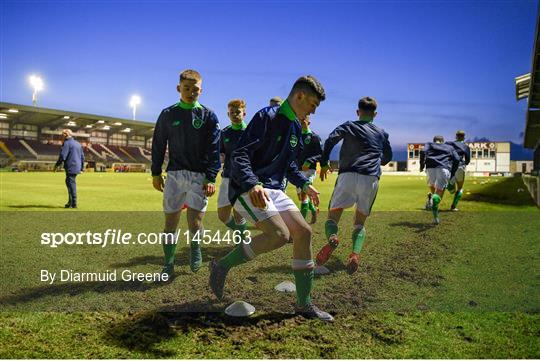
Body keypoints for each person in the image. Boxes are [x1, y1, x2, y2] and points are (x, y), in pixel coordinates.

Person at [209, 75, 333, 321]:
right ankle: (222, 265)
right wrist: (253, 184)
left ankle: (304, 305)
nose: (313, 112)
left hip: (274, 189)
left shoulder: (296, 127)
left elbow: (288, 165)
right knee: (279, 235)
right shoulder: (267, 117)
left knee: (304, 232)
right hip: (247, 187)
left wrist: (305, 185)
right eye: (312, 106)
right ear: (299, 96)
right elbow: (240, 155)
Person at [151, 69, 221, 278]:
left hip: (199, 177)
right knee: (170, 223)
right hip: (174, 175)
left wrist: (211, 176)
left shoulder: (208, 115)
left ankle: (195, 249)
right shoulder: (167, 114)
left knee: (195, 222)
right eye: (187, 88)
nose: (191, 92)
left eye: (195, 89)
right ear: (178, 88)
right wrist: (156, 172)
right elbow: (158, 144)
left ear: (202, 90)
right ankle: (168, 263)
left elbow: (214, 148)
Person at [315, 97, 392, 275]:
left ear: (358, 112)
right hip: (370, 178)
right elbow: (387, 158)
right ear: (375, 114)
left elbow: (329, 141)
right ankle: (355, 254)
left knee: (332, 218)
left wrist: (325, 163)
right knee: (359, 222)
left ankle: (333, 237)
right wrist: (375, 160)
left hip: (347, 174)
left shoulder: (349, 125)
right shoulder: (381, 132)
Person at [217, 99, 248, 236]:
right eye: (232, 112)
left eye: (238, 112)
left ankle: (241, 242)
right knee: (222, 215)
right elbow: (221, 154)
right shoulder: (224, 133)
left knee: (239, 213)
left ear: (244, 113)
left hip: (243, 178)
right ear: (228, 114)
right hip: (227, 177)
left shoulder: (250, 132)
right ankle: (240, 233)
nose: (235, 114)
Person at [420, 135, 460, 224]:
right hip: (443, 168)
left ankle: (435, 216)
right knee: (439, 193)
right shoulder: (449, 147)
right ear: (442, 141)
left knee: (432, 186)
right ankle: (433, 199)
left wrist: (422, 165)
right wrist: (452, 172)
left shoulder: (429, 144)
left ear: (434, 141)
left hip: (430, 168)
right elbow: (457, 159)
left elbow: (422, 151)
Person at [296, 115, 323, 223]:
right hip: (297, 172)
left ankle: (300, 224)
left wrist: (309, 161)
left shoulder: (314, 137)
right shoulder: (295, 136)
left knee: (303, 195)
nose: (301, 121)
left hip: (309, 171)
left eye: (304, 120)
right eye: (299, 120)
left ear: (309, 122)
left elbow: (321, 154)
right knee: (302, 197)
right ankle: (314, 210)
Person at [55, 129, 84, 208]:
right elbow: (82, 157)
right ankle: (70, 202)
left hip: (70, 167)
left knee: (71, 184)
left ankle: (73, 203)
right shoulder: (78, 144)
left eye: (62, 135)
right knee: (69, 182)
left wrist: (57, 165)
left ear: (65, 135)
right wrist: (82, 168)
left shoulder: (67, 143)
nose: (62, 136)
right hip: (77, 167)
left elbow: (63, 156)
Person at [445, 130, 471, 211]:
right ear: (464, 137)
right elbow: (467, 160)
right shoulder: (465, 146)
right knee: (460, 189)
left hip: (450, 166)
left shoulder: (449, 144)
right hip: (460, 167)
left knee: (449, 185)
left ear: (456, 136)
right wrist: (463, 163)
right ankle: (453, 207)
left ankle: (451, 186)